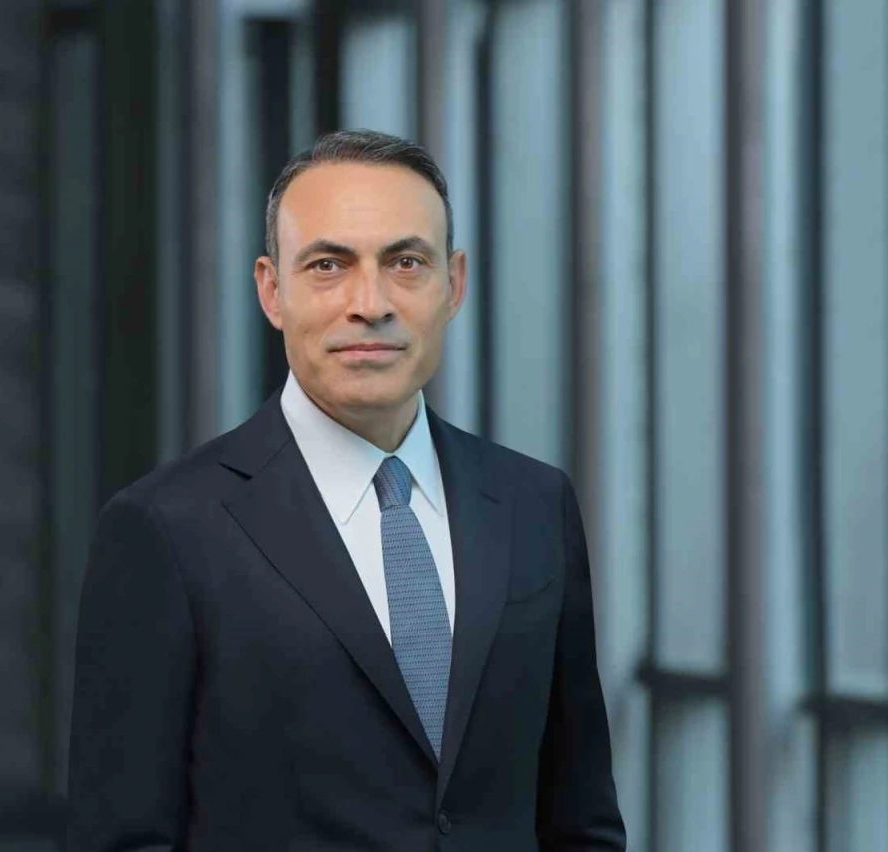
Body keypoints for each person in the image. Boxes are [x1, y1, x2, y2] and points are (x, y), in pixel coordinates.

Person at [67, 129, 625, 851]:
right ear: (272, 290)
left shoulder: (534, 504)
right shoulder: (166, 529)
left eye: (406, 262)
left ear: (453, 285)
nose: (371, 302)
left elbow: (579, 819)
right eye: (328, 265)